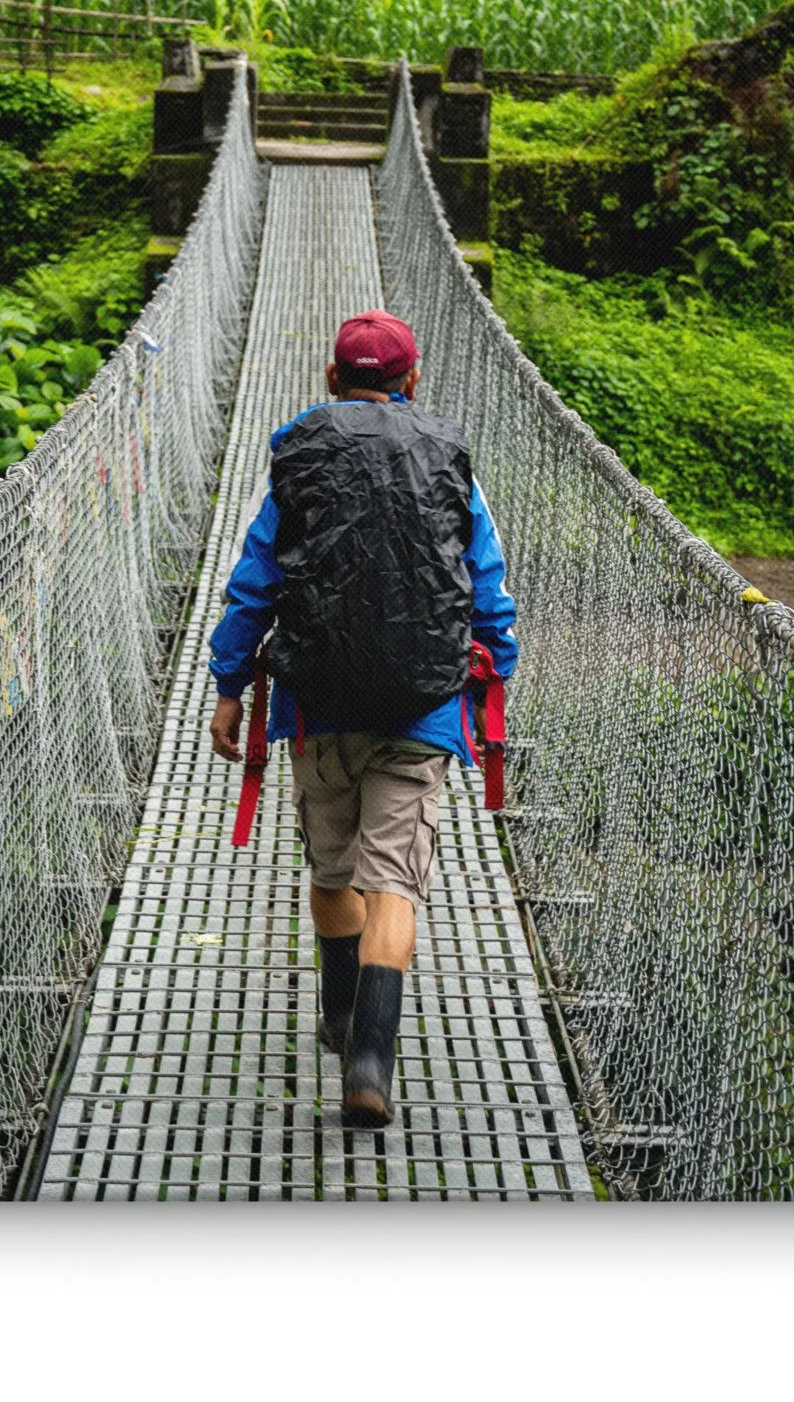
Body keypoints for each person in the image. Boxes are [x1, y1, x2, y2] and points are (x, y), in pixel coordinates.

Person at [207, 309, 519, 1128]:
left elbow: (255, 580)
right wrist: (498, 674)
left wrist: (230, 684)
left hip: (320, 702)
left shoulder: (297, 453)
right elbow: (485, 577)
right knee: (396, 881)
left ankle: (343, 1019)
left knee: (332, 868)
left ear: (331, 378)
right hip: (420, 702)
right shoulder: (450, 456)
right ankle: (372, 1066)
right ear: (413, 382)